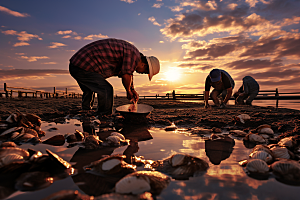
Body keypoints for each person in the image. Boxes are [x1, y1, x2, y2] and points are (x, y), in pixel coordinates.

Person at [69, 38, 160, 116]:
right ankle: (104, 116)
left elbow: (128, 74)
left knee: (89, 89)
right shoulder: (133, 55)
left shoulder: (133, 55)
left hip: (78, 64)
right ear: (144, 65)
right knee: (106, 89)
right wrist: (128, 91)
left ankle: (85, 112)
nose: (141, 74)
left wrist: (132, 90)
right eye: (144, 72)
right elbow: (126, 75)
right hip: (83, 65)